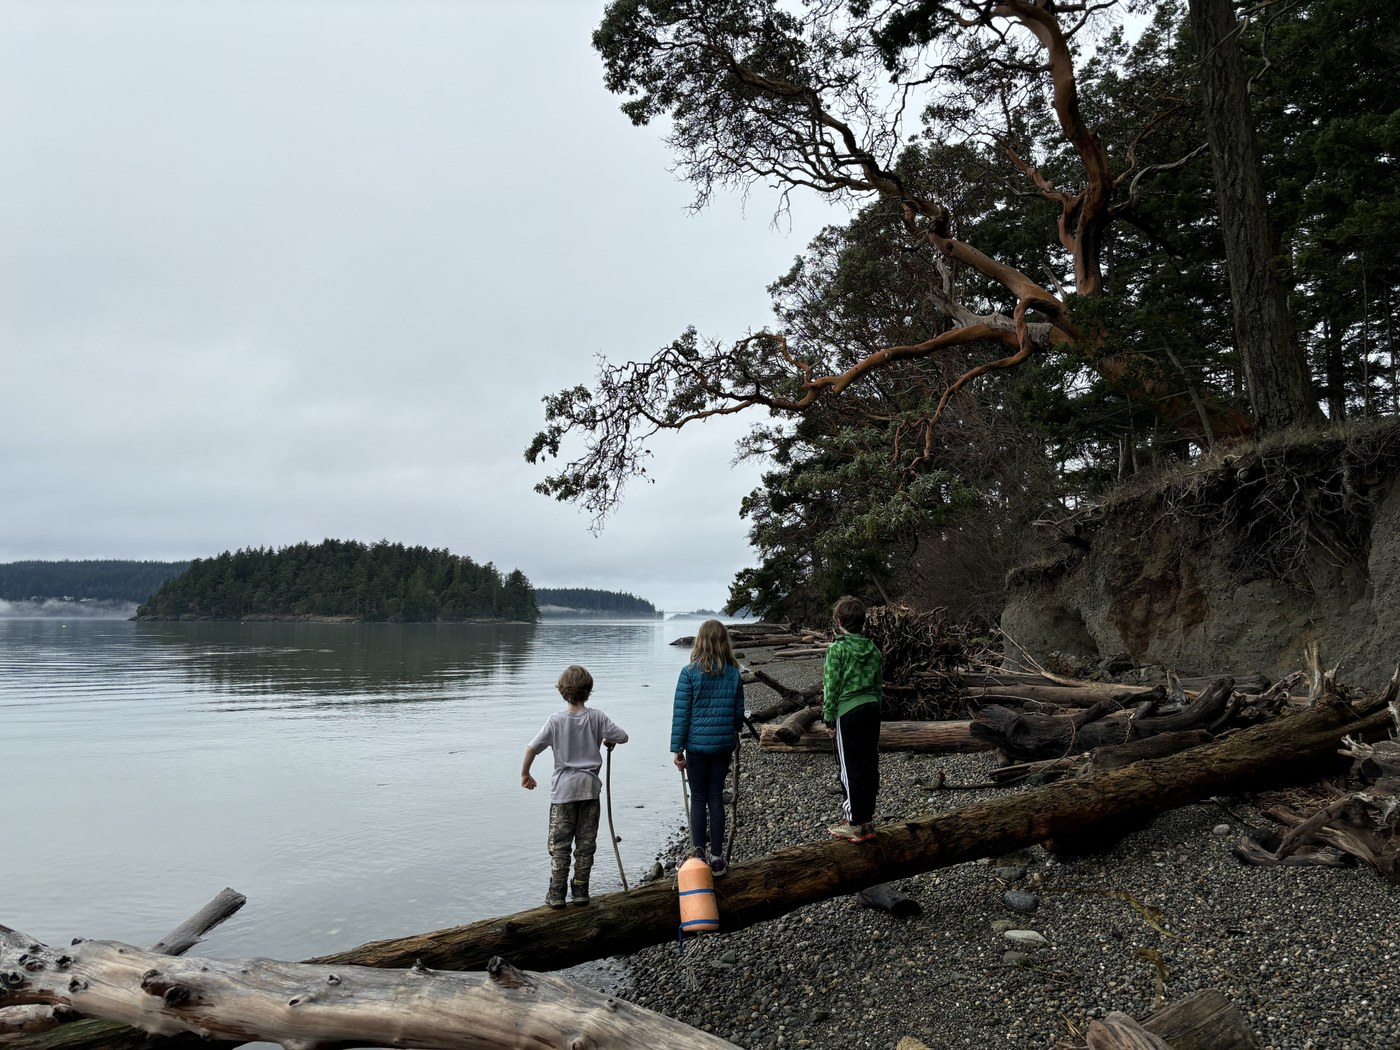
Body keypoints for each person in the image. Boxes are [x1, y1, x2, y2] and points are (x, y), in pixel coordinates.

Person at [521, 664, 628, 909]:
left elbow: (531, 748)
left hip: (563, 792)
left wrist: (525, 773)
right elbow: (622, 736)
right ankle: (580, 890)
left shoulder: (555, 721)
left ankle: (557, 893)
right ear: (588, 691)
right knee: (585, 843)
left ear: (562, 691)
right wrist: (606, 738)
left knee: (560, 844)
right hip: (589, 789)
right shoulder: (597, 717)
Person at [671, 618, 745, 877]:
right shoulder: (734, 672)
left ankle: (699, 854)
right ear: (724, 642)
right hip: (723, 744)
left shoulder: (689, 673)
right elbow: (738, 715)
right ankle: (717, 858)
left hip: (697, 747)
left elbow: (682, 714)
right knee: (716, 798)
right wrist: (732, 731)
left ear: (699, 641)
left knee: (699, 798)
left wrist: (677, 748)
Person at [822, 595, 883, 843]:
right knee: (869, 763)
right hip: (871, 709)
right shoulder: (873, 649)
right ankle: (866, 819)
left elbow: (831, 687)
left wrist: (828, 719)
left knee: (850, 767)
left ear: (838, 622)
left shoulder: (837, 650)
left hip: (848, 711)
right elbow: (879, 684)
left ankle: (855, 824)